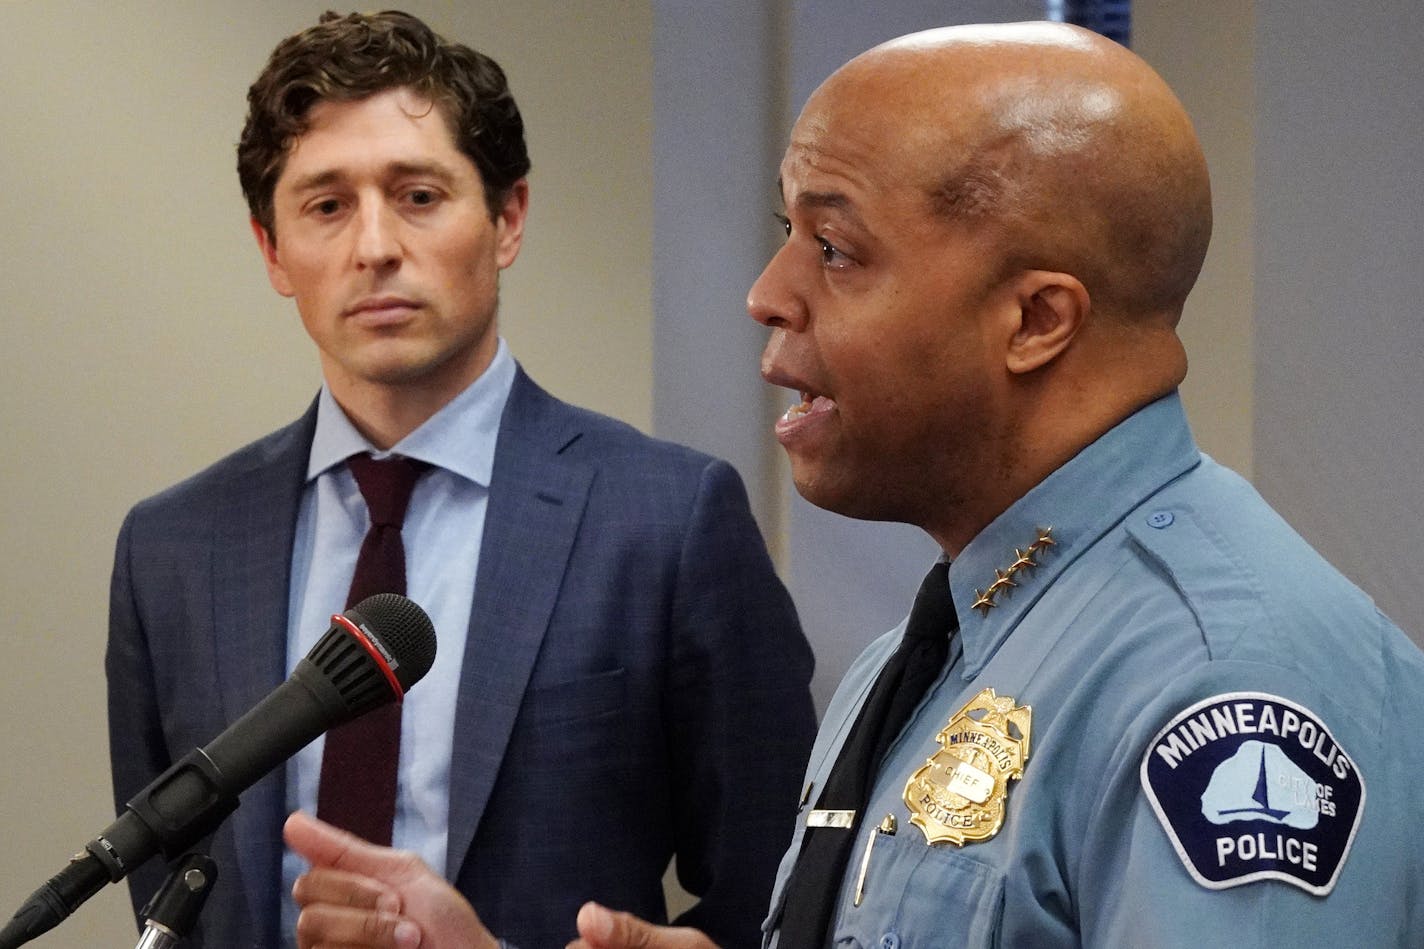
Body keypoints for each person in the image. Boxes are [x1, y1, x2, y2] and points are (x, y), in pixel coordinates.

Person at [279, 19, 1424, 949]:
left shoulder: (1223, 683)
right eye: (790, 231)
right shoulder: (922, 655)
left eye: (834, 247)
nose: (768, 292)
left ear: (1034, 319)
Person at [105, 11, 817, 949]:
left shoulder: (670, 519)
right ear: (273, 250)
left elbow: (786, 899)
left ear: (507, 217)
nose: (374, 247)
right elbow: (170, 901)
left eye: (419, 195)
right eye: (326, 206)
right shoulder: (174, 549)